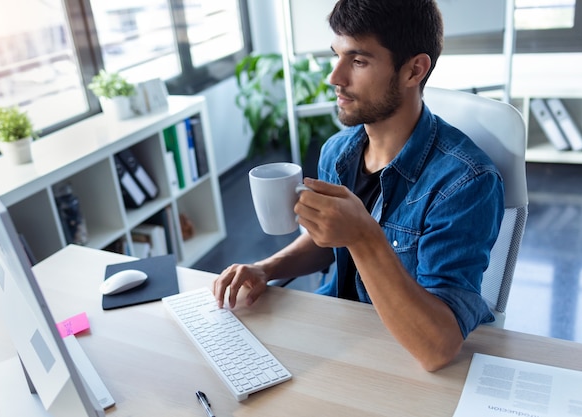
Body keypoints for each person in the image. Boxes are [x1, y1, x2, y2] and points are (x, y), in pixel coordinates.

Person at [213, 0, 504, 372]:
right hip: (338, 334)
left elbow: (437, 348)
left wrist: (365, 236)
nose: (335, 77)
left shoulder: (465, 182)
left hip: (402, 357)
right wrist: (266, 268)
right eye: (336, 56)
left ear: (414, 70)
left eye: (359, 60)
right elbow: (327, 242)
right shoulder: (338, 152)